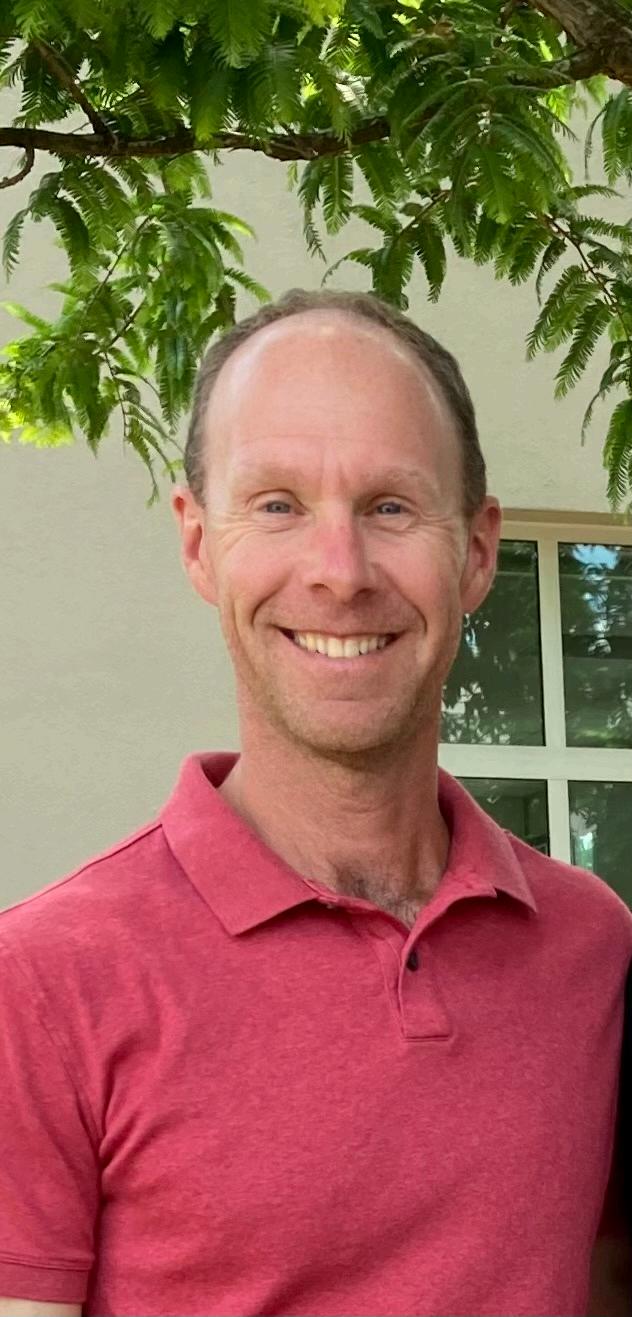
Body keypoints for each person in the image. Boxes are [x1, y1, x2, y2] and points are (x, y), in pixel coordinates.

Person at [0, 288, 630, 1317]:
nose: (339, 573)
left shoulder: (592, 951)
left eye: (390, 506)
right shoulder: (39, 984)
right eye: (277, 505)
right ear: (198, 543)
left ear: (476, 551)